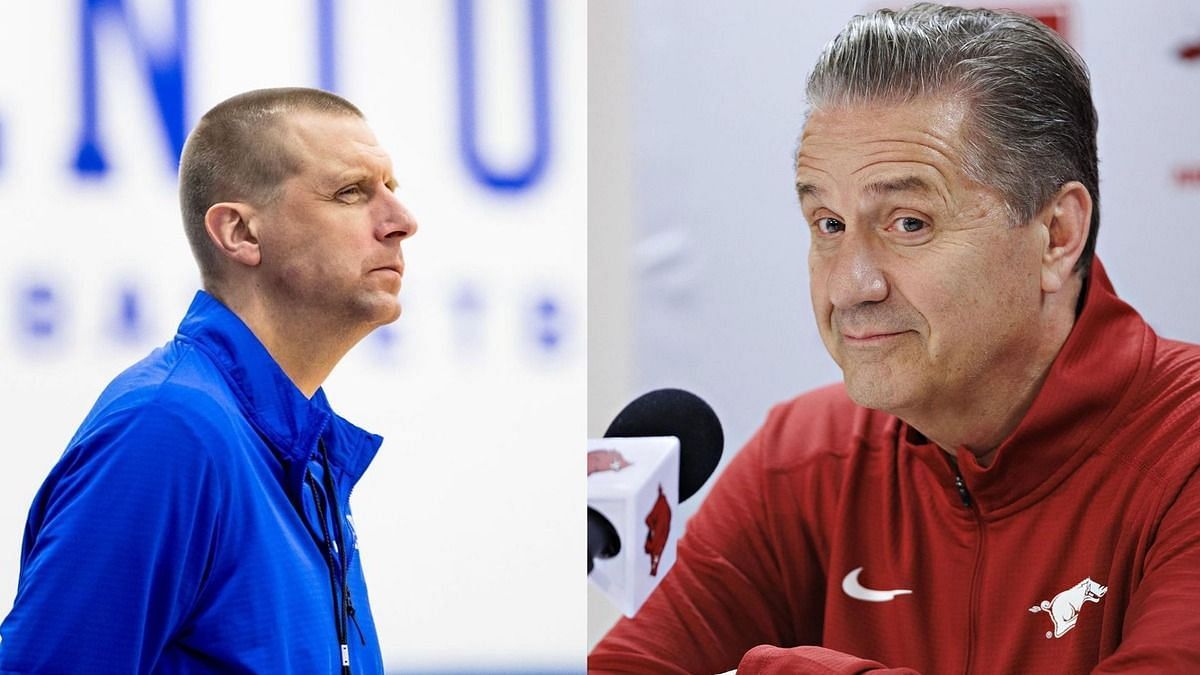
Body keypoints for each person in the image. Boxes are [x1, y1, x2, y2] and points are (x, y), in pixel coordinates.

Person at [590, 4, 1200, 673]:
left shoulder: (1183, 448)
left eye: (908, 222)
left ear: (1057, 234)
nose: (852, 285)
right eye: (826, 223)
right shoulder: (805, 459)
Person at [0, 87, 417, 673]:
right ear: (240, 233)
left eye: (391, 190)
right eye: (351, 192)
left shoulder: (300, 453)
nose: (403, 222)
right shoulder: (168, 432)